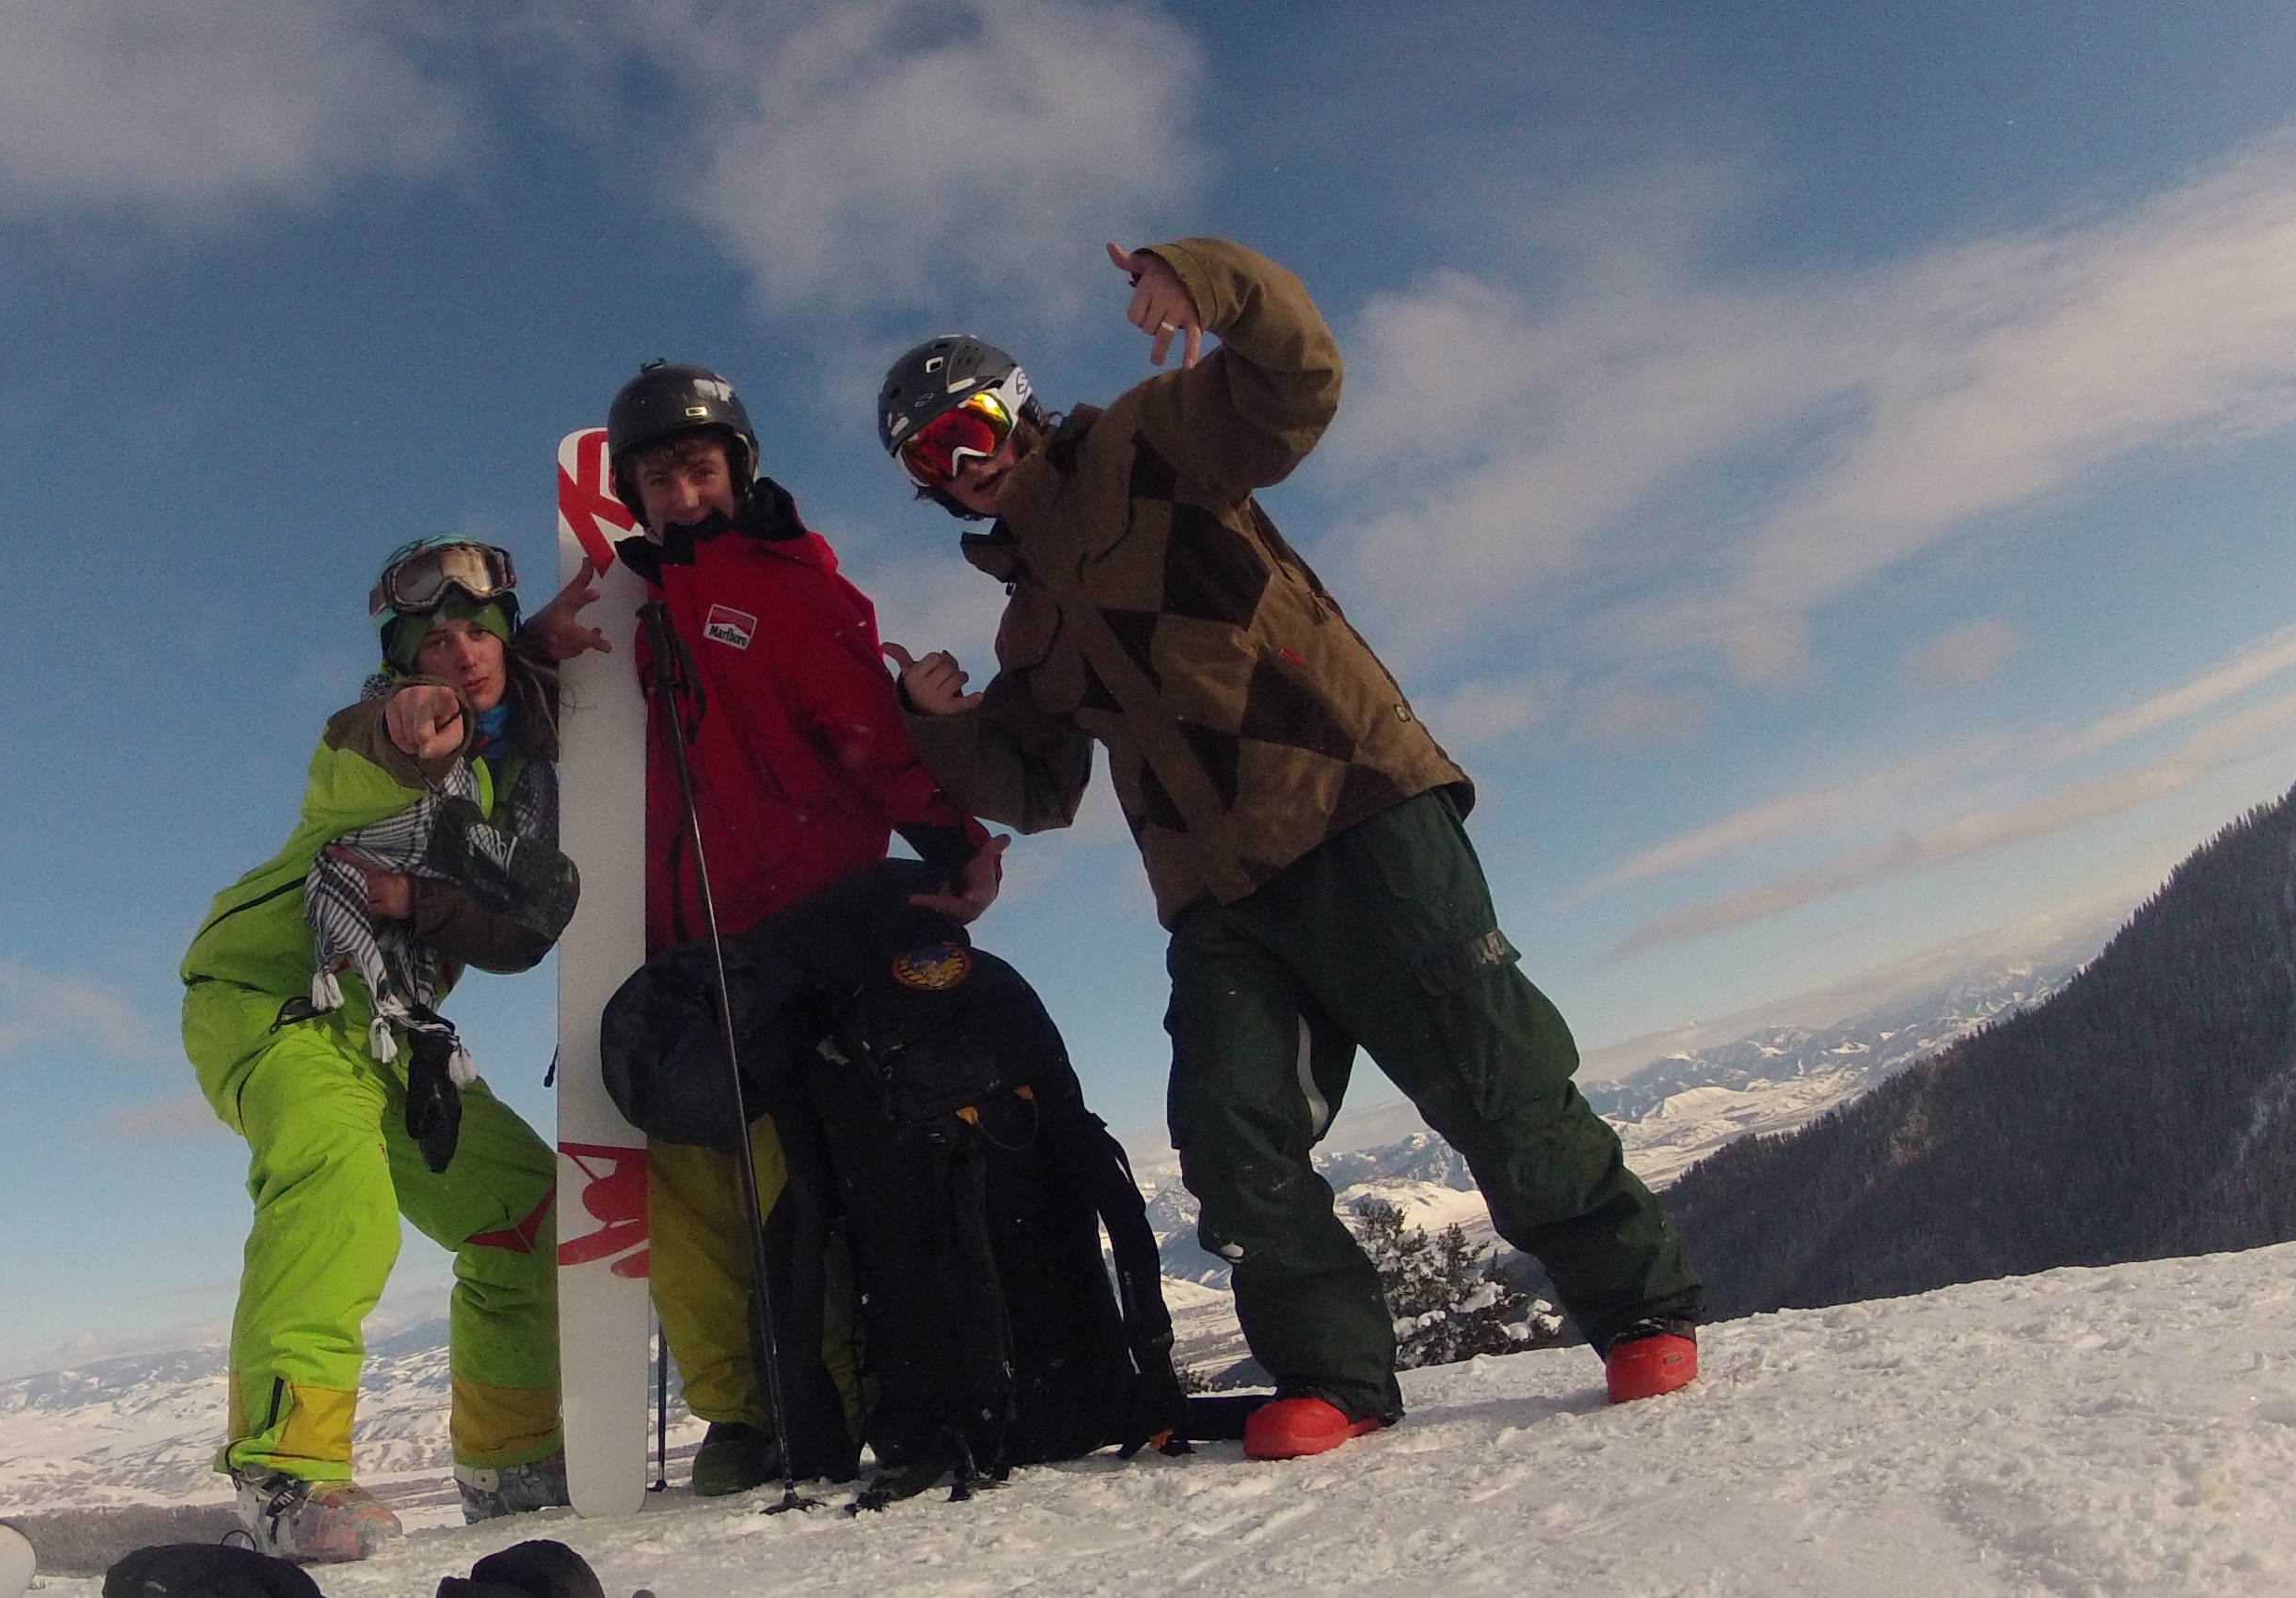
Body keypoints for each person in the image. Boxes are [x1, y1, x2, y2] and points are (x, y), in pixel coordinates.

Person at [880, 239, 1704, 1459]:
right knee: (1228, 1129)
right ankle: (1335, 1377)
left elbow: (1297, 382)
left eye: (972, 429)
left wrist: (1203, 279)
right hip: (1215, 891)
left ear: (1018, 408)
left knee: (1487, 1068)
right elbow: (1038, 787)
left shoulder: (1156, 441)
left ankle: (1638, 1306)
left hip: (1352, 804)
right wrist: (944, 732)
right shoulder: (1029, 623)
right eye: (932, 462)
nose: (966, 467)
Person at [541, 363, 999, 1494]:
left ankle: (828, 1403)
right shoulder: (640, 609)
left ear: (739, 471)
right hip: (673, 952)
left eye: (700, 470)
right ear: (635, 498)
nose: (683, 496)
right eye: (659, 480)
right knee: (691, 1192)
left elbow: (867, 735)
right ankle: (740, 1418)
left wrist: (953, 837)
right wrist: (533, 646)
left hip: (796, 938)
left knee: (797, 1186)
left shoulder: (788, 588)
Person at [177, 537, 579, 1561]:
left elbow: (515, 940)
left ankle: (511, 1464)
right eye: (430, 644)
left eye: (475, 633)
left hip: (392, 1035)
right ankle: (285, 1475)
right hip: (274, 997)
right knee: (338, 1178)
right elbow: (387, 736)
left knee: (526, 1208)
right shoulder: (368, 742)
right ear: (404, 668)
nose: (456, 654)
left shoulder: (510, 789)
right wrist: (411, 724)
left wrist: (424, 897)